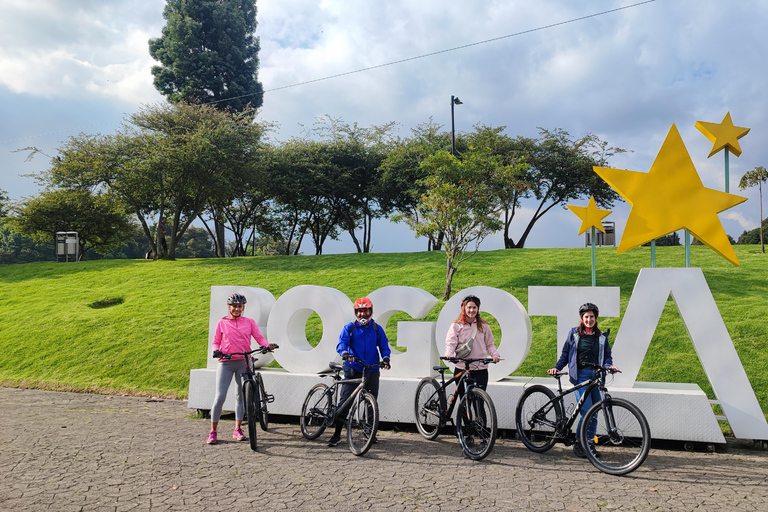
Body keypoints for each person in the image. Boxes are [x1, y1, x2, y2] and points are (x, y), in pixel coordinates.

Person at [547, 302, 619, 458]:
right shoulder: (574, 334)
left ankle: (588, 444)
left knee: (595, 411)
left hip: (596, 377)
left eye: (592, 316)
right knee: (587, 411)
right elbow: (565, 354)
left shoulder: (601, 337)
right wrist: (557, 368)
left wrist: (609, 366)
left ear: (596, 318)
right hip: (580, 376)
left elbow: (607, 357)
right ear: (582, 318)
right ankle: (580, 444)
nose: (589, 319)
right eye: (586, 317)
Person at [207, 293, 275, 445]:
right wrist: (216, 351)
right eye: (234, 306)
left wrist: (267, 346)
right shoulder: (222, 323)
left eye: (240, 306)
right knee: (220, 397)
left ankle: (237, 429)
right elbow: (215, 342)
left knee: (241, 397)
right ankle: (213, 431)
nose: (237, 309)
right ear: (229, 307)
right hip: (226, 362)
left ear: (243, 307)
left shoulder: (249, 322)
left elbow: (259, 338)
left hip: (243, 362)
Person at [327, 297, 391, 447]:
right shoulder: (350, 328)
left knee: (371, 402)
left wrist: (386, 358)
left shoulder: (376, 328)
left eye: (365, 311)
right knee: (345, 403)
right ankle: (336, 434)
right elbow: (342, 343)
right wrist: (345, 352)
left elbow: (384, 346)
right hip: (353, 368)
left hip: (372, 369)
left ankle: (369, 433)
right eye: (360, 311)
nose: (363, 314)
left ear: (370, 311)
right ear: (356, 312)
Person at [444, 294, 501, 392]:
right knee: (464, 402)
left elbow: (489, 344)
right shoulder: (456, 326)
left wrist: (495, 355)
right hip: (462, 368)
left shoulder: (483, 326)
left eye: (474, 307)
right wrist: (449, 353)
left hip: (480, 368)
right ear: (464, 309)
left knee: (479, 403)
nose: (471, 310)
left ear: (478, 309)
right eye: (469, 307)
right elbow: (451, 342)